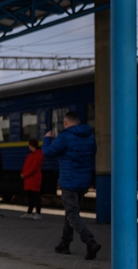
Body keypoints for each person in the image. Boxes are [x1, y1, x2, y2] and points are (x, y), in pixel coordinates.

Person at [43, 111, 101, 260]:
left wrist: (47, 139)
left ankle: (90, 241)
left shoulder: (65, 136)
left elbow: (48, 153)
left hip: (69, 181)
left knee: (72, 214)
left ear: (66, 123)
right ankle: (64, 244)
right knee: (71, 213)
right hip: (83, 181)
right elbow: (93, 152)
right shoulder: (89, 136)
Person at [20, 139, 43, 220]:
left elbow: (34, 167)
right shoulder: (32, 155)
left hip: (33, 178)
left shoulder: (37, 155)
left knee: (35, 196)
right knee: (30, 196)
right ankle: (29, 212)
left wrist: (24, 174)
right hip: (29, 178)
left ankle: (38, 213)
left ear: (31, 145)